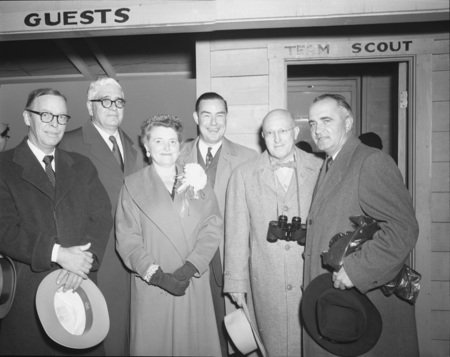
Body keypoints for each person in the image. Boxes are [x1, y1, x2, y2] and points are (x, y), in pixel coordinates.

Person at [304, 94, 419, 356]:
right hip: (338, 303)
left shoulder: (370, 160)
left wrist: (356, 271)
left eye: (326, 120)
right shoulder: (330, 163)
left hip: (364, 306)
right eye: (312, 123)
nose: (317, 130)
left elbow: (403, 229)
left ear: (348, 123)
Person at [0, 88, 112, 355]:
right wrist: (58, 254)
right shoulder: (4, 166)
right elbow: (4, 229)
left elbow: (102, 217)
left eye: (61, 117)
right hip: (29, 295)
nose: (55, 124)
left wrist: (83, 262)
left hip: (81, 288)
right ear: (27, 117)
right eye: (46, 115)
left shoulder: (82, 166)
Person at [115, 114, 223, 356]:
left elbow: (212, 226)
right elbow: (127, 239)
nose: (167, 148)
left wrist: (190, 267)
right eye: (159, 141)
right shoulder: (131, 186)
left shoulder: (198, 180)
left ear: (180, 145)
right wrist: (159, 277)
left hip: (191, 280)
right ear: (146, 146)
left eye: (173, 141)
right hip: (154, 284)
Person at [223, 109, 323, 356]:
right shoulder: (244, 176)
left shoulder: (321, 170)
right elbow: (236, 233)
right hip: (265, 281)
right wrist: (235, 280)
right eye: (270, 133)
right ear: (262, 136)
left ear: (296, 132)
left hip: (309, 278)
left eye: (283, 131)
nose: (277, 139)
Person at [59, 77, 145, 356]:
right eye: (105, 101)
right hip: (91, 257)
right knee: (92, 336)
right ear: (89, 106)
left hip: (131, 258)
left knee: (126, 336)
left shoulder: (136, 147)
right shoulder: (68, 143)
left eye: (119, 101)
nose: (113, 107)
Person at [178, 92, 258, 356]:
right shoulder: (176, 156)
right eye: (206, 115)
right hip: (189, 260)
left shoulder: (248, 157)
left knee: (237, 339)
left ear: (227, 117)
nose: (213, 122)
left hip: (230, 262)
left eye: (219, 115)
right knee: (197, 336)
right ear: (195, 118)